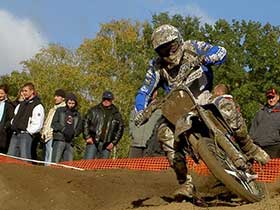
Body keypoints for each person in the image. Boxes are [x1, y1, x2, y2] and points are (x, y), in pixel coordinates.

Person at [133, 24, 227, 200]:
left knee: (225, 103)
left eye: (171, 47)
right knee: (163, 134)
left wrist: (208, 58)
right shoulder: (156, 67)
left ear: (178, 40)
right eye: (162, 50)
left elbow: (220, 50)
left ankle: (247, 145)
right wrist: (139, 110)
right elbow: (144, 91)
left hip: (203, 96)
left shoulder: (192, 47)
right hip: (178, 107)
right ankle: (185, 183)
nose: (168, 53)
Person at [211, 84, 270, 164]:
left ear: (220, 92)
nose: (215, 93)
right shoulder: (211, 102)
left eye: (217, 91)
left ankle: (266, 161)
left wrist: (235, 130)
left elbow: (235, 123)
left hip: (236, 134)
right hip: (220, 133)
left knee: (250, 148)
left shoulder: (225, 101)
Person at [7, 82, 45, 159]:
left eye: (26, 91)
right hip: (15, 134)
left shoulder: (37, 105)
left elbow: (38, 123)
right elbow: (15, 116)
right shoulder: (21, 104)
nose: (24, 93)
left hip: (25, 135)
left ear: (32, 91)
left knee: (24, 158)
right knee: (10, 157)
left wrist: (28, 131)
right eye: (23, 91)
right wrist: (13, 124)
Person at [83, 91, 124, 159]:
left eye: (108, 99)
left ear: (111, 100)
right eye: (104, 99)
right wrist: (87, 136)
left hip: (107, 145)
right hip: (93, 142)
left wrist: (113, 143)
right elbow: (85, 122)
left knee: (103, 167)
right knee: (87, 164)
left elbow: (120, 129)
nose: (106, 101)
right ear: (102, 99)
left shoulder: (117, 114)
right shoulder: (94, 110)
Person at [51, 92, 82, 163]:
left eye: (73, 103)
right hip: (59, 139)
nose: (71, 105)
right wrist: (63, 129)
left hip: (70, 141)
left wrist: (74, 133)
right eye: (69, 103)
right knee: (55, 161)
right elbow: (54, 123)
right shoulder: (60, 110)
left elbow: (80, 128)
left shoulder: (77, 114)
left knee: (68, 163)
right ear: (66, 102)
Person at [250, 88, 280, 158]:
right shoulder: (260, 112)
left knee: (273, 168)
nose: (271, 100)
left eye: (273, 97)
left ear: (278, 97)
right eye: (269, 97)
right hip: (258, 147)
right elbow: (253, 128)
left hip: (274, 147)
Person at [41, 89, 66, 165]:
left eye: (58, 96)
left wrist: (53, 131)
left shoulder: (63, 110)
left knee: (50, 159)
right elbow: (47, 122)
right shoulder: (53, 109)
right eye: (55, 96)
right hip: (47, 136)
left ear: (63, 98)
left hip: (54, 136)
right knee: (46, 157)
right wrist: (43, 132)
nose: (55, 98)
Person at [0, 84, 14, 154]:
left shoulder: (9, 105)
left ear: (6, 94)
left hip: (3, 135)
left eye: (2, 93)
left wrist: (5, 127)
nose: (0, 95)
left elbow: (11, 119)